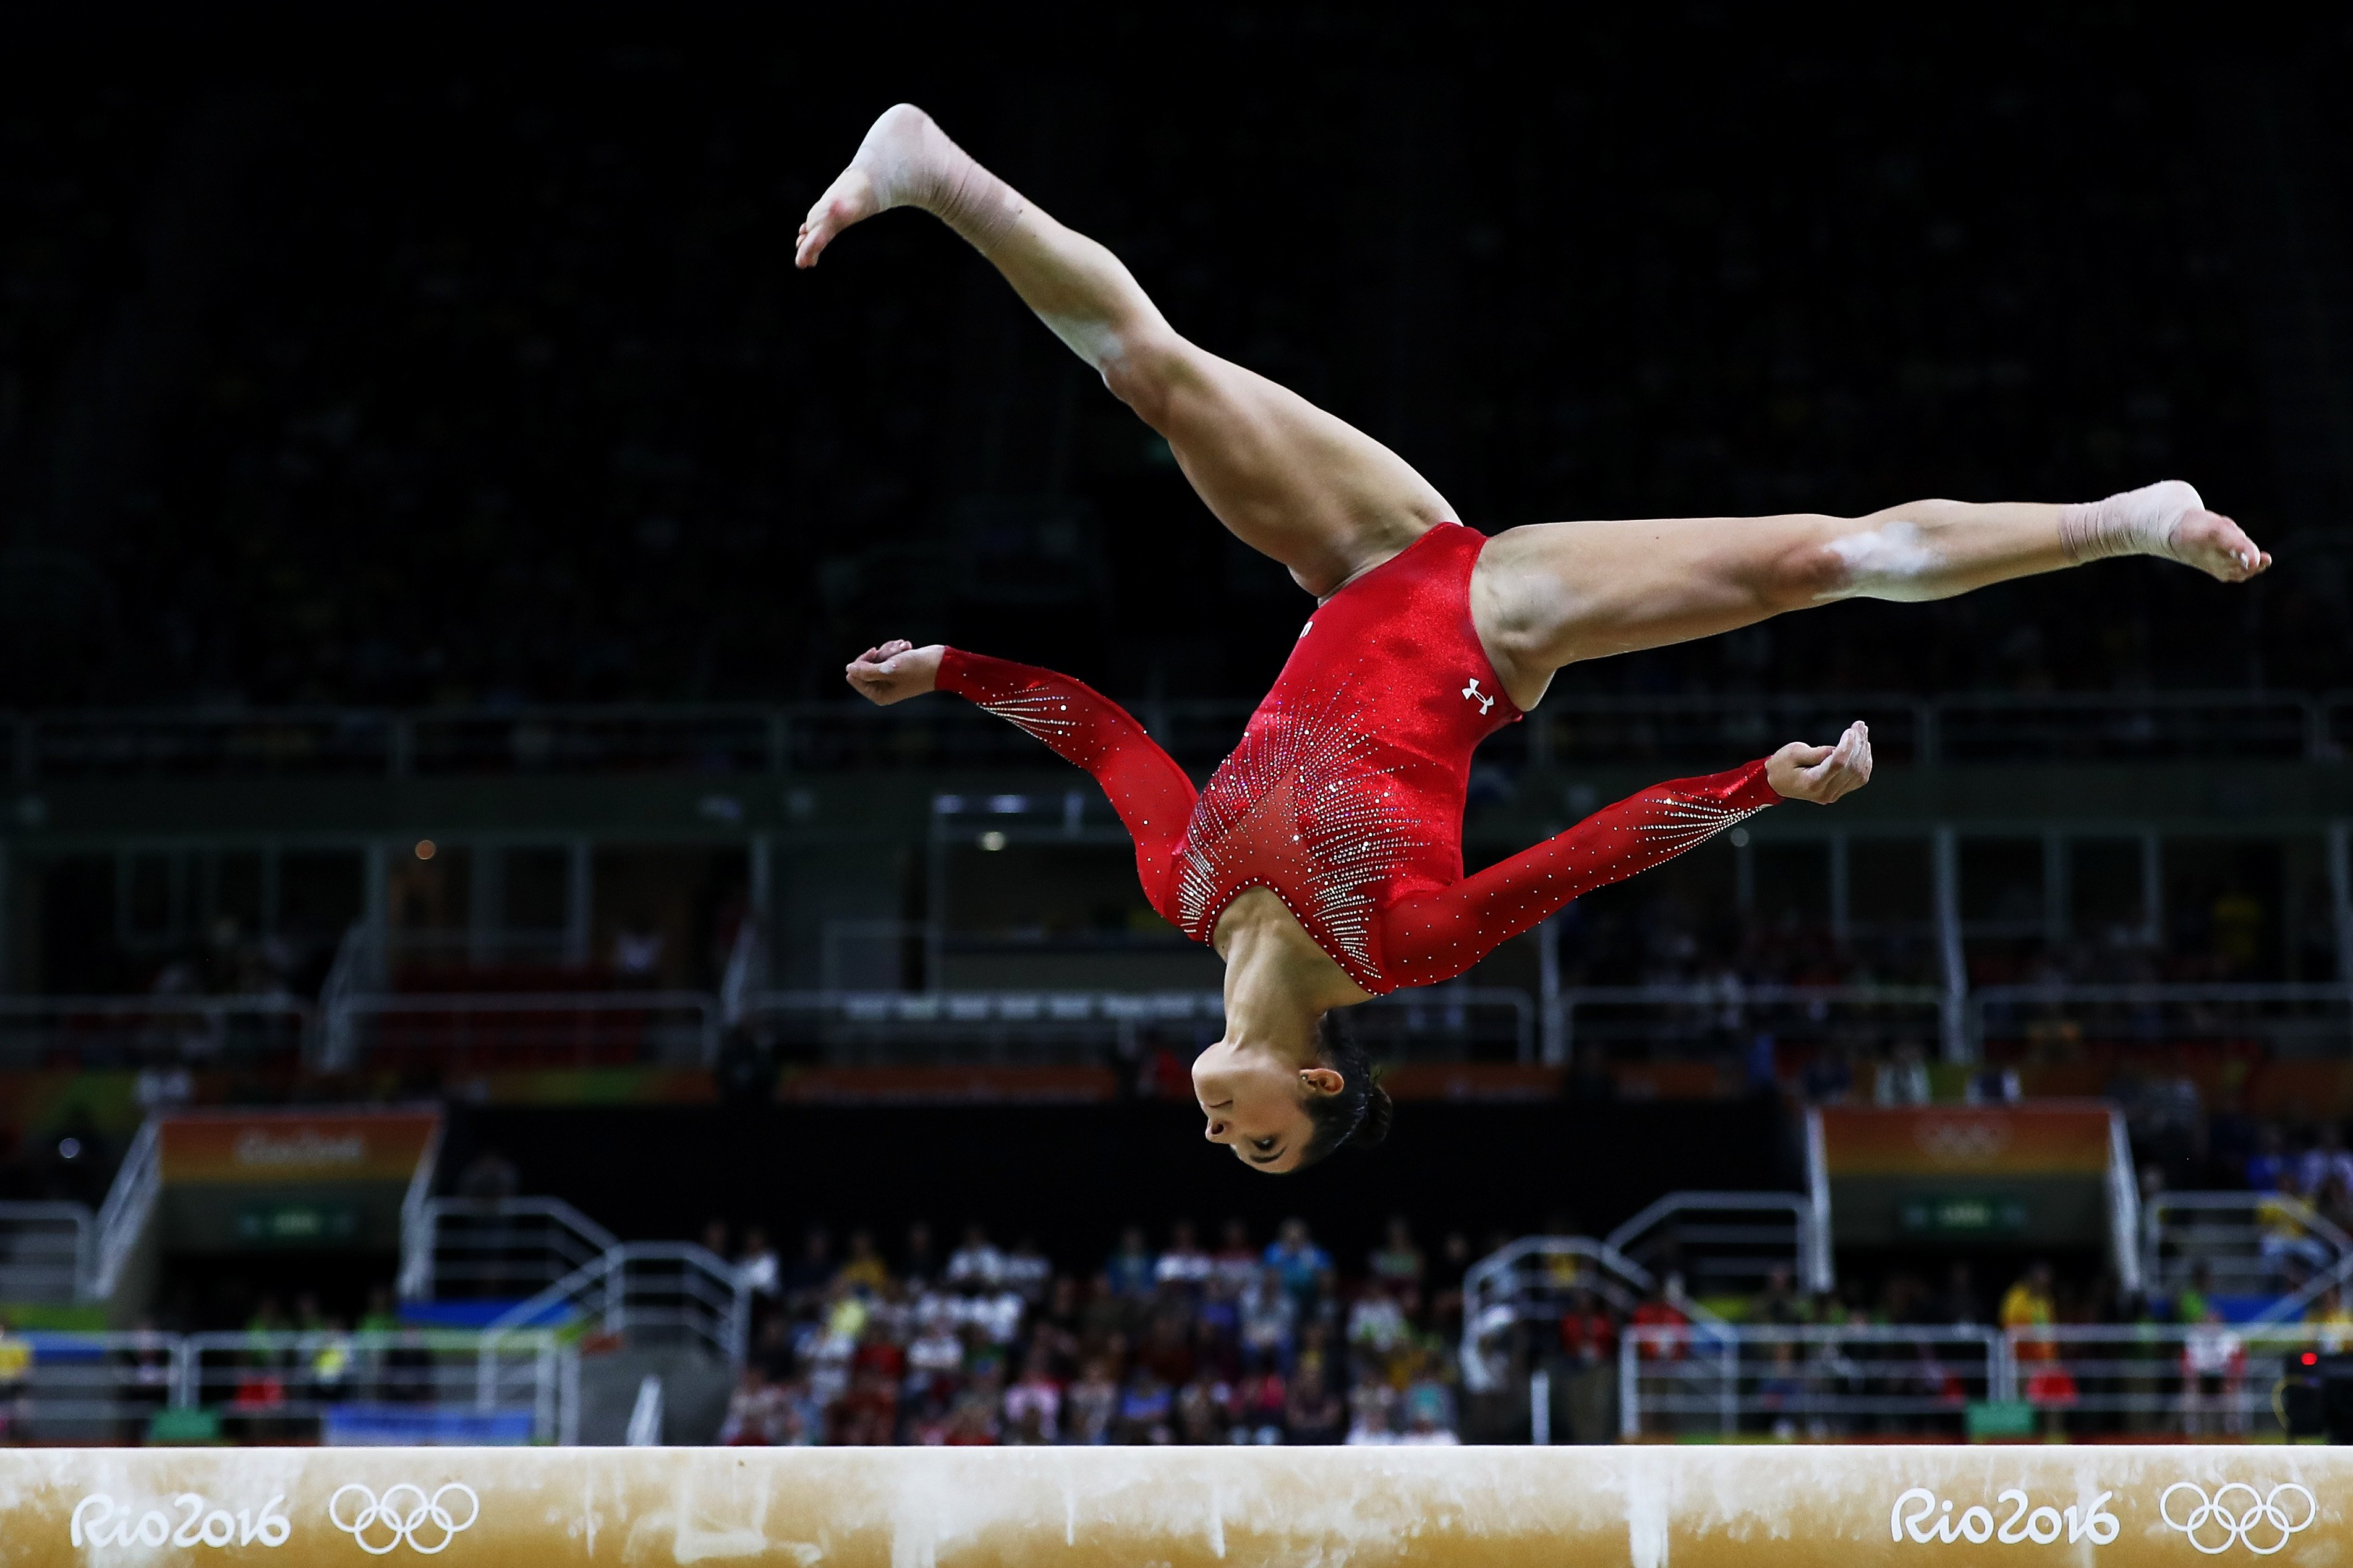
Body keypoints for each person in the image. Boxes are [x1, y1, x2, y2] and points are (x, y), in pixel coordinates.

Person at [811, 106, 2266, 1171]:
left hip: (1362, 557)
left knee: (1159, 380)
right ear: (1316, 1083)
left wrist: (945, 669)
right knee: (1822, 562)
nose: (1221, 1136)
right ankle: (2126, 520)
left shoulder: (1183, 890)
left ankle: (930, 170)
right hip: (1489, 618)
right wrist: (1770, 784)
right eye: (1259, 1147)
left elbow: (1102, 733)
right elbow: (1598, 849)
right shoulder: (1398, 950)